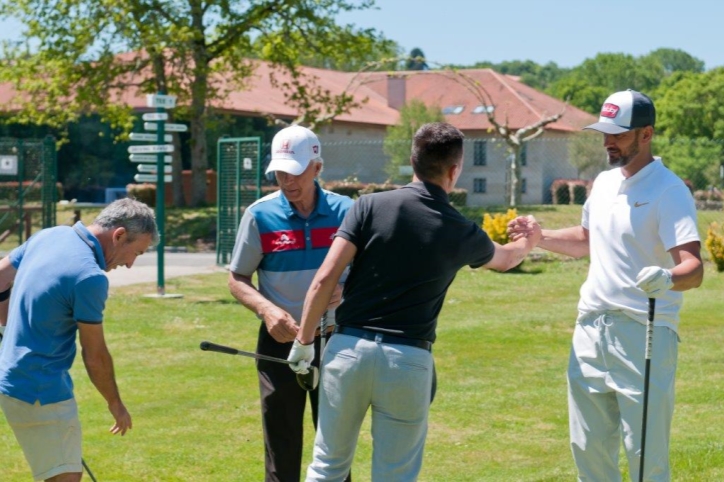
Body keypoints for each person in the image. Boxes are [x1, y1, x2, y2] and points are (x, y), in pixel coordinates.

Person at [287, 122, 542, 481]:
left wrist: (304, 342)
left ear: (412, 159)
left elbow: (324, 280)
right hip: (408, 360)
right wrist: (531, 240)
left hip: (347, 352)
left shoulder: (368, 206)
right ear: (454, 171)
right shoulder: (459, 228)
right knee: (395, 475)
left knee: (326, 467)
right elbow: (506, 259)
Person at [510, 89, 703, 481]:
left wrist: (667, 277)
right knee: (588, 449)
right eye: (604, 132)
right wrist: (540, 236)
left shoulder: (669, 190)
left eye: (618, 133)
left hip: (644, 332)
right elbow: (585, 240)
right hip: (590, 329)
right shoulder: (601, 182)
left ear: (646, 134)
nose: (606, 141)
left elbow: (694, 268)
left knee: (645, 454)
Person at [227, 125, 354, 482]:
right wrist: (266, 310)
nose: (287, 180)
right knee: (280, 448)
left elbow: (372, 271)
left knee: (335, 446)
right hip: (280, 342)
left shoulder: (348, 211)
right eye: (280, 172)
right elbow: (236, 279)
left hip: (335, 340)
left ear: (317, 167)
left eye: (295, 171)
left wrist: (348, 289)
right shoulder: (259, 215)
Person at [0, 198, 159, 482]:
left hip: (10, 382)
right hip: (41, 392)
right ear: (119, 235)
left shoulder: (50, 235)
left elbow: (0, 279)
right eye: (135, 252)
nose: (131, 264)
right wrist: (115, 404)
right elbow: (94, 354)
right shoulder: (90, 277)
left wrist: (6, 323)